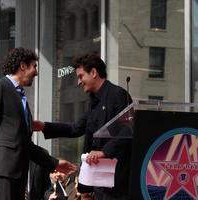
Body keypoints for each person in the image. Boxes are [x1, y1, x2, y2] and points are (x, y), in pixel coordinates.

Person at [0, 47, 76, 200]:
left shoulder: (21, 98)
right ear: (22, 66)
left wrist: (53, 163)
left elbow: (23, 143)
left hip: (18, 174)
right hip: (0, 172)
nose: (36, 72)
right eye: (34, 66)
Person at [33, 53, 132, 200]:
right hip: (99, 182)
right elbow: (76, 128)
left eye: (81, 76)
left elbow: (127, 130)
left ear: (93, 73)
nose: (79, 82)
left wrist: (103, 152)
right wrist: (43, 126)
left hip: (117, 180)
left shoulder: (118, 95)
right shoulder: (93, 102)